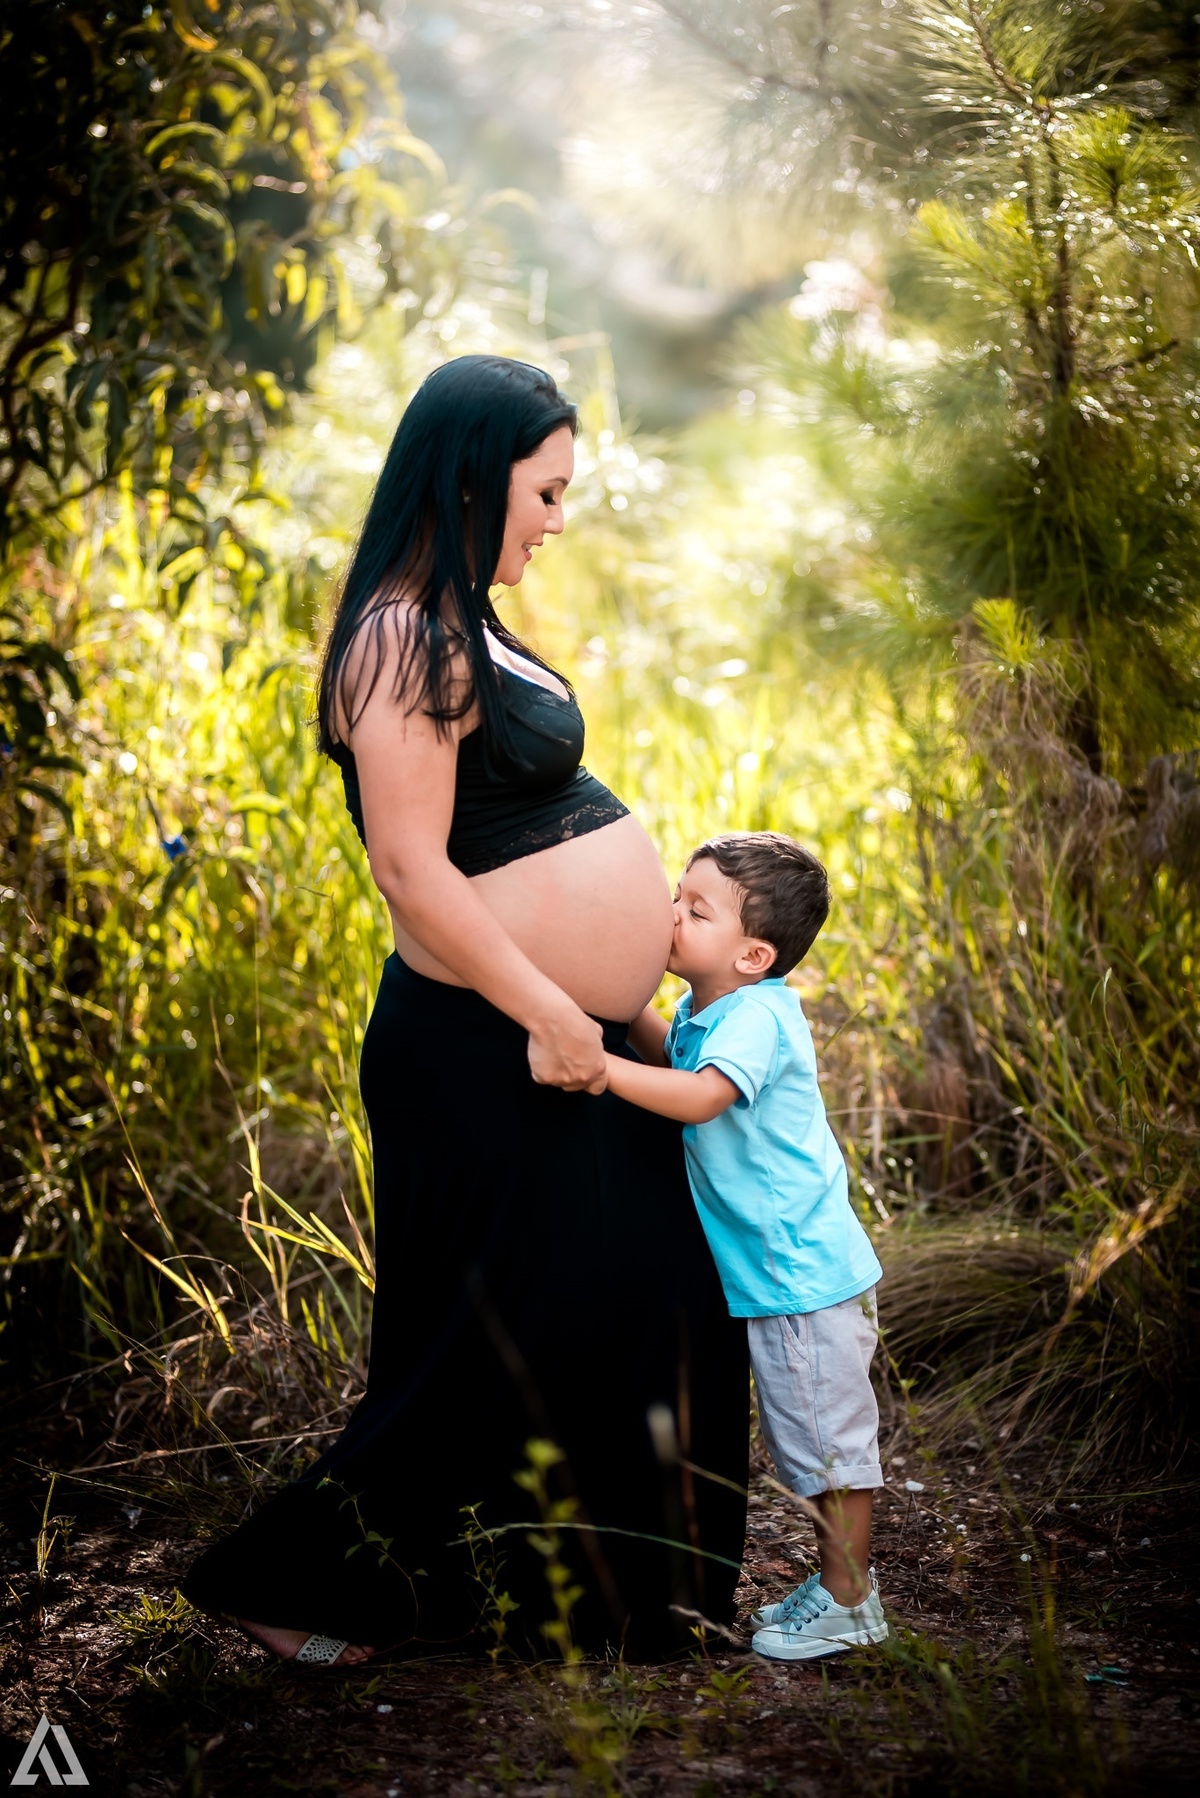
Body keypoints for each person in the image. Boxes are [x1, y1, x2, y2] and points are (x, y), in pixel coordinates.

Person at [180, 355, 748, 1666]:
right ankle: (281, 1581)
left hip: (556, 1033)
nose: (558, 519)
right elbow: (410, 866)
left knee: (648, 1288)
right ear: (474, 477)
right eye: (545, 491)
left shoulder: (465, 621)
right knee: (493, 1342)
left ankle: (600, 1598)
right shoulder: (399, 633)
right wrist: (553, 1008)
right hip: (483, 1044)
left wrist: (625, 1013)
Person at [602, 831, 889, 1661]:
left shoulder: (759, 1017)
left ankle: (851, 1603)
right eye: (676, 897)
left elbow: (698, 1097)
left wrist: (597, 1066)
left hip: (799, 1276)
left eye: (696, 911)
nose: (672, 914)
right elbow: (671, 1051)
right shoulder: (713, 1009)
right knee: (807, 1439)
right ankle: (838, 1587)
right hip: (780, 1274)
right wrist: (616, 1005)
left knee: (828, 1450)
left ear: (754, 955)